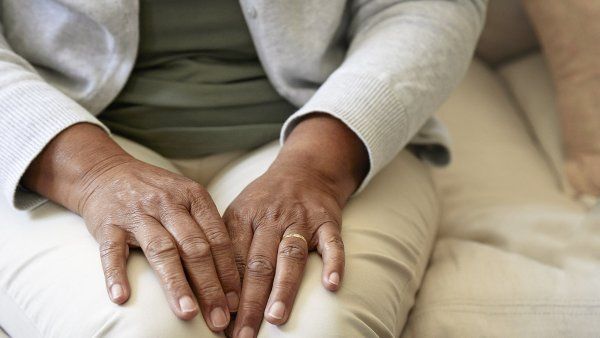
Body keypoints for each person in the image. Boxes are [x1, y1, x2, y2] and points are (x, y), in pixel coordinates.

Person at [0, 1, 486, 337]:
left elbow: (427, 8)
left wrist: (316, 168)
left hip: (333, 126)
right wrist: (93, 173)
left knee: (312, 328)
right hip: (56, 136)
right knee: (142, 328)